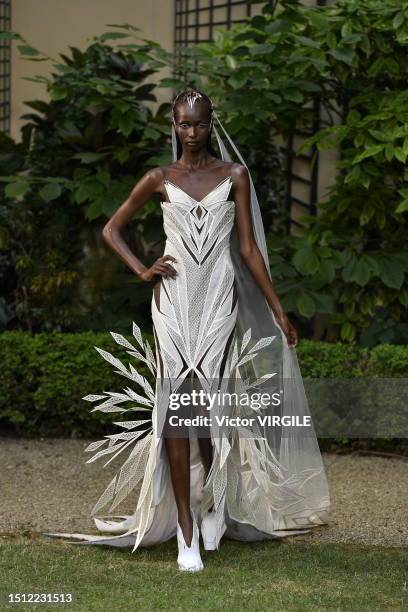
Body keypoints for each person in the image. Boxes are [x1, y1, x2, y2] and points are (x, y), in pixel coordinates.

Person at [46, 88, 330, 572]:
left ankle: (215, 502)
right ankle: (185, 529)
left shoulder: (233, 175)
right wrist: (141, 270)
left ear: (211, 124)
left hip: (220, 302)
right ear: (173, 125)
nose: (191, 133)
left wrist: (279, 309)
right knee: (180, 407)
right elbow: (111, 229)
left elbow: (248, 250)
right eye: (183, 124)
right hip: (172, 306)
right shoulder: (159, 178)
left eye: (199, 124)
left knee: (207, 408)